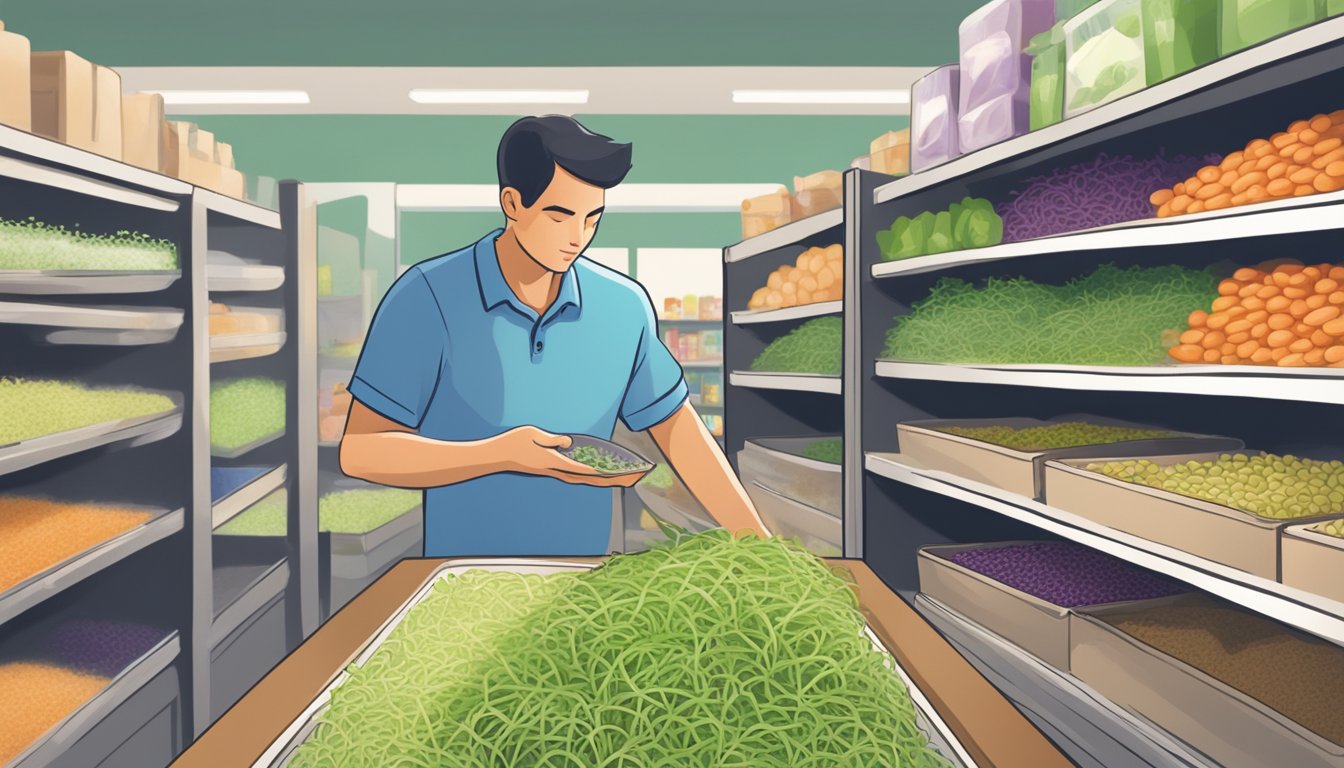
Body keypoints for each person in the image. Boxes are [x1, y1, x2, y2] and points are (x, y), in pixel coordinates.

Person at [339, 115, 769, 556]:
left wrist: (760, 546)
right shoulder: (427, 295)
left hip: (587, 580)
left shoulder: (623, 306)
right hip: (465, 576)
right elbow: (361, 450)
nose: (577, 237)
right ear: (512, 203)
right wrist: (501, 453)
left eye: (592, 218)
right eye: (559, 215)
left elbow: (678, 428)